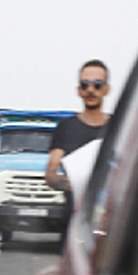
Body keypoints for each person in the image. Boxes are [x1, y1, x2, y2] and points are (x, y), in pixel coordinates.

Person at [45, 59, 112, 248]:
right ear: (79, 90)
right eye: (85, 85)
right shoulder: (66, 127)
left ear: (106, 89)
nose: (91, 90)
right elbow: (50, 174)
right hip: (73, 228)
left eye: (97, 85)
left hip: (109, 229)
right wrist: (62, 182)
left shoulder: (118, 128)